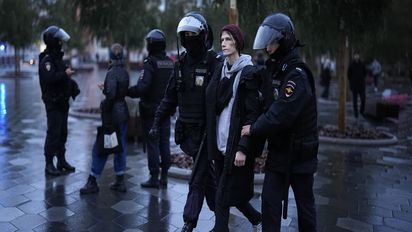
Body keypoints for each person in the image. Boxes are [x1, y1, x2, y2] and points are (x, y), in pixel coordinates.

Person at [242, 13, 319, 232]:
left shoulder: (297, 75)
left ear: (284, 40)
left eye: (272, 41)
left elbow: (280, 114)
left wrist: (254, 128)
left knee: (305, 210)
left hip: (301, 154)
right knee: (269, 203)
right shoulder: (273, 68)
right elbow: (258, 79)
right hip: (279, 152)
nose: (267, 47)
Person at [150, 12, 222, 232]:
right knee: (208, 179)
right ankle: (237, 212)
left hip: (207, 132)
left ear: (202, 35)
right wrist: (156, 123)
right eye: (185, 34)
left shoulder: (213, 63)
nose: (189, 38)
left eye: (193, 34)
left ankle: (189, 222)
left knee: (197, 179)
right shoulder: (179, 64)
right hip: (187, 134)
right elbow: (169, 98)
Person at [206, 24, 262, 232]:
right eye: (222, 40)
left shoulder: (247, 73)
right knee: (232, 194)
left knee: (221, 196)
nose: (223, 43)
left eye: (228, 39)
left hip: (234, 146)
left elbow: (252, 114)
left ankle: (221, 229)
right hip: (219, 143)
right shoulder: (221, 71)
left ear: (237, 42)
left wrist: (242, 147)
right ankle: (256, 218)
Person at [80, 43, 129, 194]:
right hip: (123, 114)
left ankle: (93, 180)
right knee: (120, 148)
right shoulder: (124, 72)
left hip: (112, 117)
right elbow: (119, 91)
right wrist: (107, 89)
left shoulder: (112, 72)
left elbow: (112, 96)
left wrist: (103, 103)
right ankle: (120, 180)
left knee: (100, 148)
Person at [127, 29, 174, 188]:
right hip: (165, 110)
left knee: (153, 143)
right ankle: (165, 176)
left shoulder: (150, 63)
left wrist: (128, 91)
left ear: (152, 45)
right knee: (164, 143)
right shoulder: (169, 62)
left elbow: (142, 88)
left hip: (151, 111)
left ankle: (154, 177)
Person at [39, 26, 79, 176]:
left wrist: (71, 85)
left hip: (62, 102)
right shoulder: (47, 60)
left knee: (63, 133)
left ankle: (61, 160)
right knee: (53, 134)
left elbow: (61, 76)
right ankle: (49, 164)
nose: (61, 43)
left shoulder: (57, 58)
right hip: (53, 103)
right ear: (53, 41)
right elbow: (50, 78)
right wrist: (64, 74)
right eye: (59, 40)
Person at [347, 53, 367, 118]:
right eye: (355, 55)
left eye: (357, 55)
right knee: (355, 101)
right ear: (353, 56)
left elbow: (365, 73)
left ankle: (361, 110)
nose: (356, 56)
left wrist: (362, 79)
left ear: (359, 56)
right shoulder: (351, 65)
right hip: (354, 86)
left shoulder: (362, 64)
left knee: (363, 99)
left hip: (361, 85)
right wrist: (352, 81)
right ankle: (356, 115)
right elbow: (349, 74)